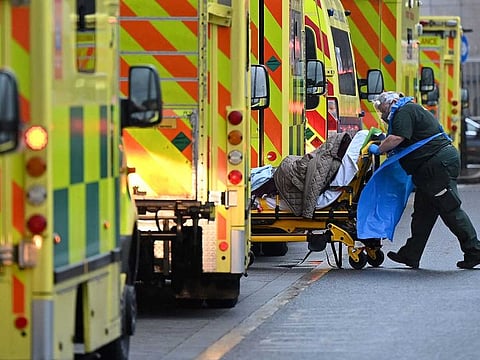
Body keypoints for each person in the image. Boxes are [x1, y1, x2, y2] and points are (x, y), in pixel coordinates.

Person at [368, 91, 480, 269]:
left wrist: (379, 149)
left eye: (383, 110)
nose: (383, 115)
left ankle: (474, 251)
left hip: (436, 166)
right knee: (422, 213)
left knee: (450, 209)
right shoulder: (408, 110)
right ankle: (411, 254)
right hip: (429, 168)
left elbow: (397, 138)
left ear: (393, 102)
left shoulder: (404, 111)